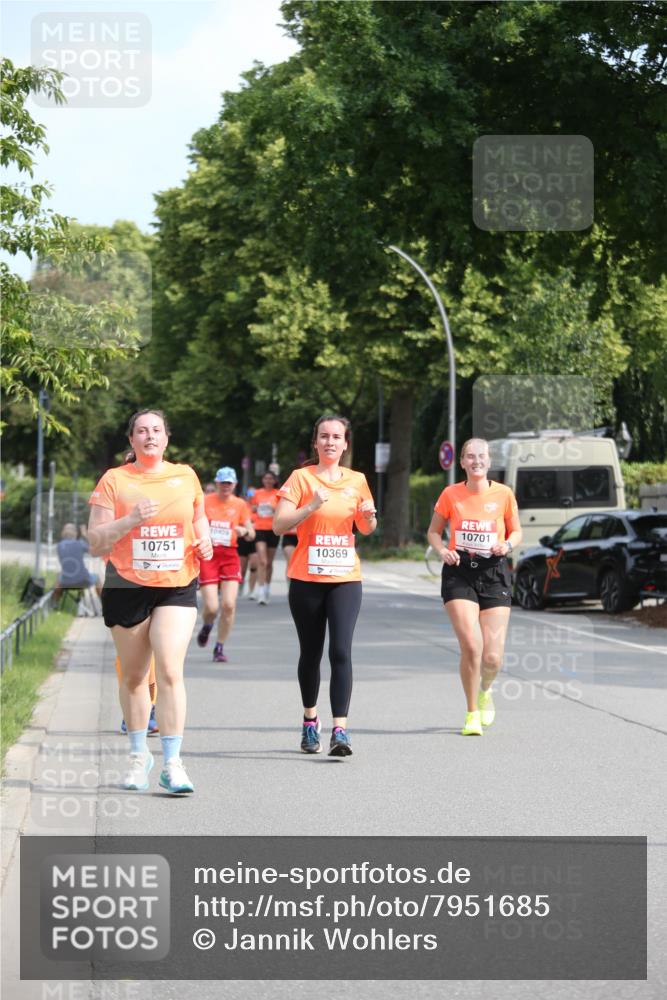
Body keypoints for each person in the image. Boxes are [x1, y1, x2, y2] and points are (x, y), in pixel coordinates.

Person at [88, 409, 213, 794]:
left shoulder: (185, 475)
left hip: (176, 582)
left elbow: (198, 517)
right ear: (132, 440)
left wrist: (204, 538)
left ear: (166, 438)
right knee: (135, 675)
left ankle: (173, 763)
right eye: (141, 431)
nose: (149, 436)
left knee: (171, 669)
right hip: (126, 585)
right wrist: (131, 521)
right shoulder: (115, 480)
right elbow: (95, 541)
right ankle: (138, 756)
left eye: (156, 430)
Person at [273, 415, 377, 757]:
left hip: (345, 578)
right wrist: (311, 505)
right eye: (324, 437)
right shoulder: (301, 479)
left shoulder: (358, 480)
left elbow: (365, 527)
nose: (330, 442)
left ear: (345, 444)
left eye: (337, 437)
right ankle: (309, 720)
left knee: (341, 651)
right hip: (306, 578)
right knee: (312, 652)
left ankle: (340, 731)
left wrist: (369, 515)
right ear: (315, 442)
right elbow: (278, 525)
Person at [426, 438, 522, 736]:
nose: (476, 460)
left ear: (489, 461)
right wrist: (442, 551)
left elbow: (517, 531)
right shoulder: (450, 494)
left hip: (493, 571)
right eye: (470, 456)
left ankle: (485, 691)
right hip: (459, 572)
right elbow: (433, 532)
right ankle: (471, 714)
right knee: (471, 645)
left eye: (481, 456)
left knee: (493, 657)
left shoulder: (504, 494)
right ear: (463, 462)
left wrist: (506, 544)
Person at [196, 467, 255, 662]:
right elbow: (193, 523)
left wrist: (243, 531)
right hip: (209, 555)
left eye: (229, 483)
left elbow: (251, 532)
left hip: (230, 555)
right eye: (222, 483)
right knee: (212, 607)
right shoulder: (205, 501)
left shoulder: (240, 504)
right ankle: (207, 625)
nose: (226, 487)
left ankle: (219, 647)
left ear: (235, 485)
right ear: (217, 483)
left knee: (229, 605)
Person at [251, 470, 281, 604]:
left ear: (274, 480)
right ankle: (261, 590)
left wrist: (274, 509)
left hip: (273, 529)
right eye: (266, 478)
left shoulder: (278, 494)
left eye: (271, 479)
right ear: (263, 480)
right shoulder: (257, 493)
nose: (268, 481)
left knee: (269, 562)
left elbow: (282, 510)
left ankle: (267, 588)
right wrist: (254, 513)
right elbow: (251, 509)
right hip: (259, 529)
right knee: (262, 561)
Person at [54, 523, 101, 604]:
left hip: (65, 582)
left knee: (58, 576)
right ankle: (104, 603)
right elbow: (94, 550)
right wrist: (84, 534)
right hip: (83, 580)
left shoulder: (59, 546)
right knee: (97, 578)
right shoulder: (80, 543)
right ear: (75, 533)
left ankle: (54, 604)